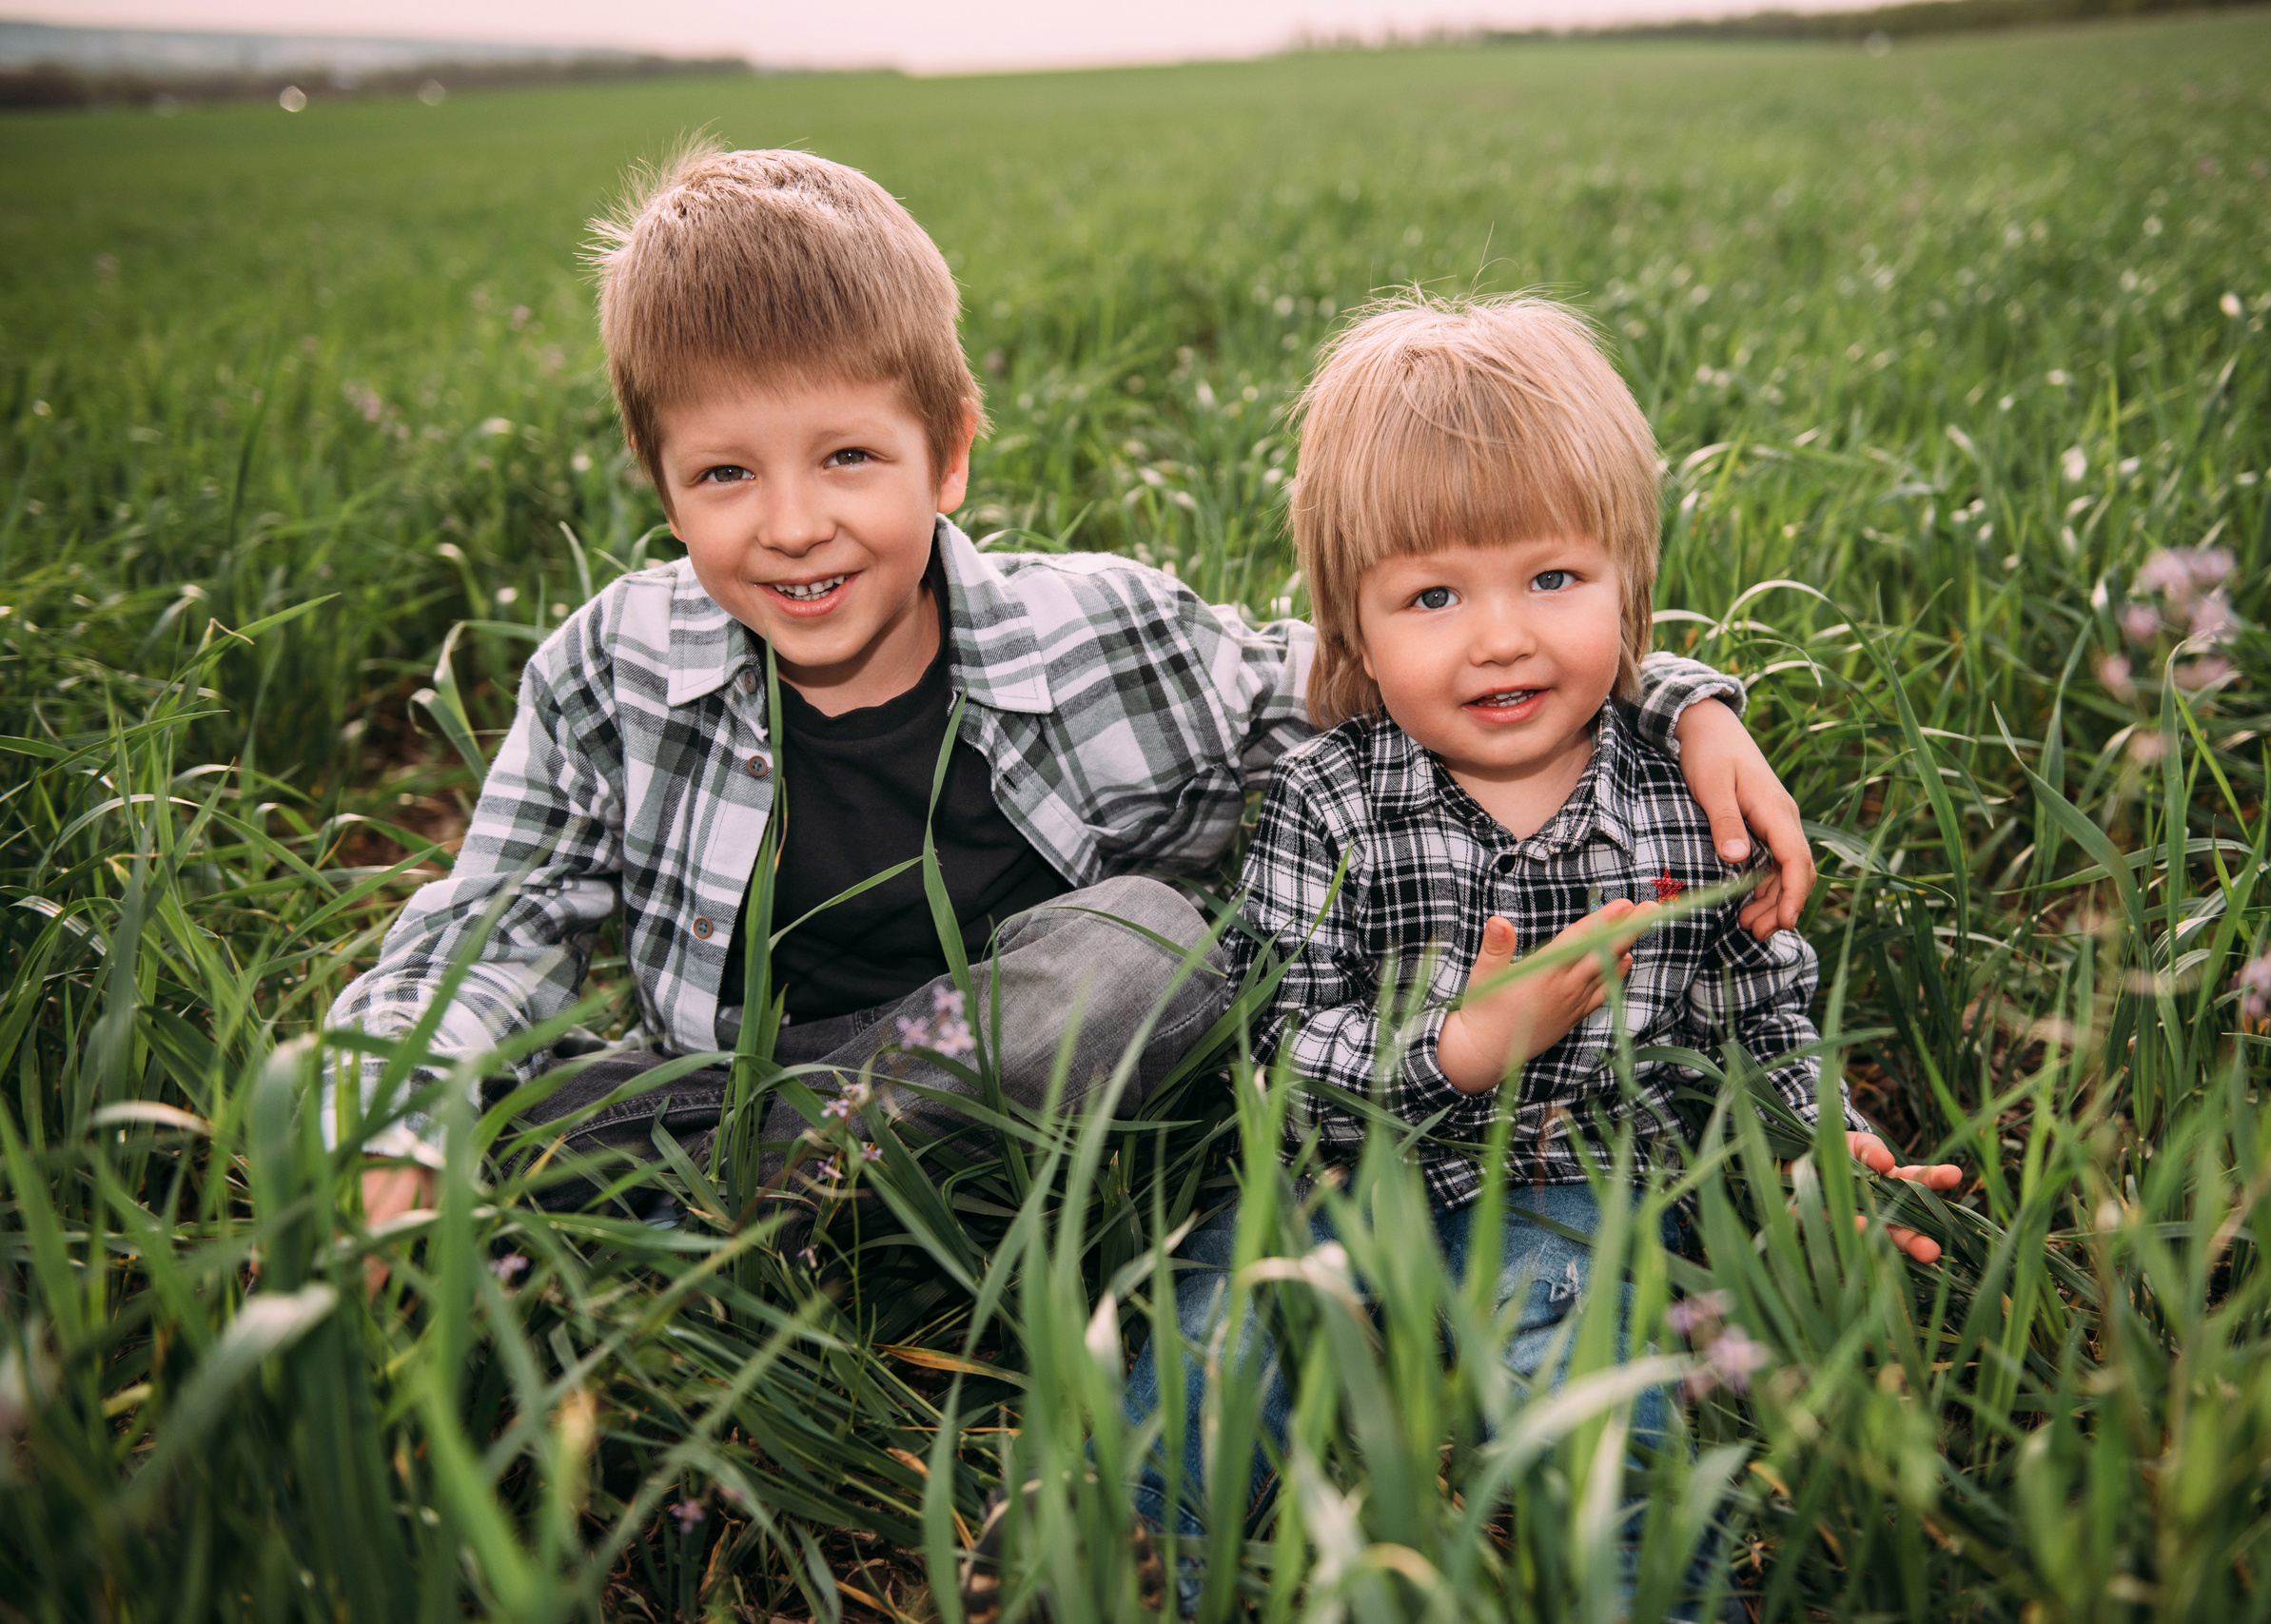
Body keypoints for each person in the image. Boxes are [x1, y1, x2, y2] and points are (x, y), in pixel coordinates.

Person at [332, 147, 1812, 1248]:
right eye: (726, 474)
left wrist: (1678, 699)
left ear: (948, 452)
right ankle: (767, 1181)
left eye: (848, 458)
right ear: (661, 486)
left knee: (1147, 953)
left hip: (1010, 1058)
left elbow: (1391, 667)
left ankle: (674, 1184)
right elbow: (490, 915)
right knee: (371, 1079)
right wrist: (393, 1111)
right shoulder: (610, 672)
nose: (792, 525)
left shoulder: (1099, 632)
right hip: (727, 1082)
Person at [1119, 293, 1963, 1594]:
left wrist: (1816, 1142)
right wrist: (1456, 1049)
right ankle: (1125, 1572)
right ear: (1353, 624)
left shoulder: (1686, 797)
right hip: (1331, 1186)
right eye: (1434, 594)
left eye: (1553, 578)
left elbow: (1760, 1011)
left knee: (1601, 1436)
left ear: (1628, 580)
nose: (1502, 634)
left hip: (1575, 1192)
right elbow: (1277, 1036)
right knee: (1205, 1364)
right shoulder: (1322, 800)